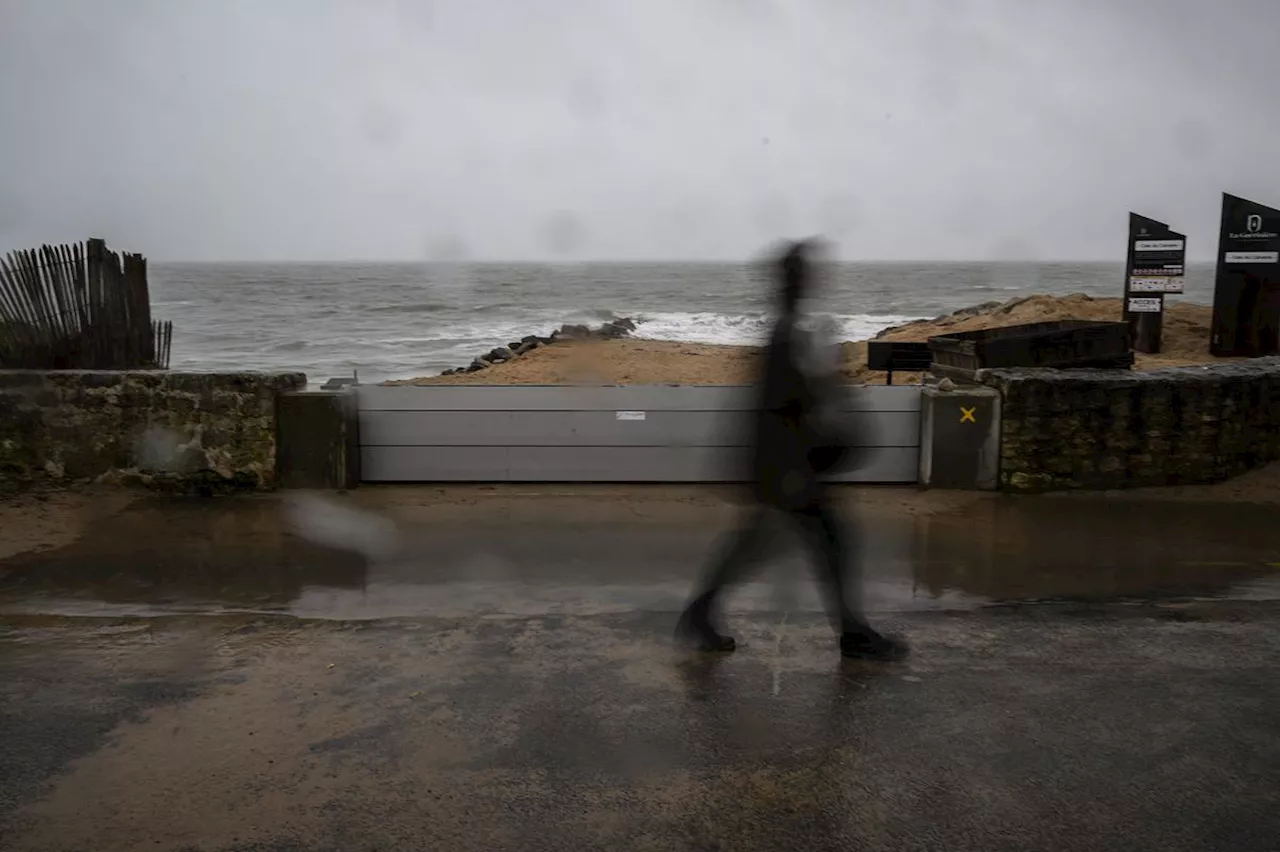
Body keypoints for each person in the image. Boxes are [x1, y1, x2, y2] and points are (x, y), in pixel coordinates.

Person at [676, 239, 908, 661]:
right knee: (823, 542)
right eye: (805, 272)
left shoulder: (787, 328)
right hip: (788, 469)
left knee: (761, 545)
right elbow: (782, 405)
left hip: (784, 466)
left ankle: (700, 614)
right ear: (795, 278)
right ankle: (851, 633)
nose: (813, 278)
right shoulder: (786, 334)